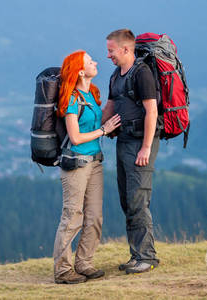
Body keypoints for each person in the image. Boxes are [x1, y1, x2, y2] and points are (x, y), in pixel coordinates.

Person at [53, 50, 121, 284]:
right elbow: (76, 137)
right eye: (90, 61)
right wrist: (104, 131)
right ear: (80, 71)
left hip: (95, 163)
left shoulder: (91, 94)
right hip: (76, 164)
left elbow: (97, 120)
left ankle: (84, 263)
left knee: (94, 216)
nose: (95, 62)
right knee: (72, 216)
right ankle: (62, 271)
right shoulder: (71, 99)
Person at [102, 28, 161, 274]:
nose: (108, 56)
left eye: (111, 50)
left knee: (138, 199)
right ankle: (136, 255)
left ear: (126, 49)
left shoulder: (142, 73)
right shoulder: (116, 75)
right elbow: (111, 105)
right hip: (123, 141)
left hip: (140, 143)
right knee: (127, 200)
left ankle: (146, 257)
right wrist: (95, 131)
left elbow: (152, 111)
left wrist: (146, 147)